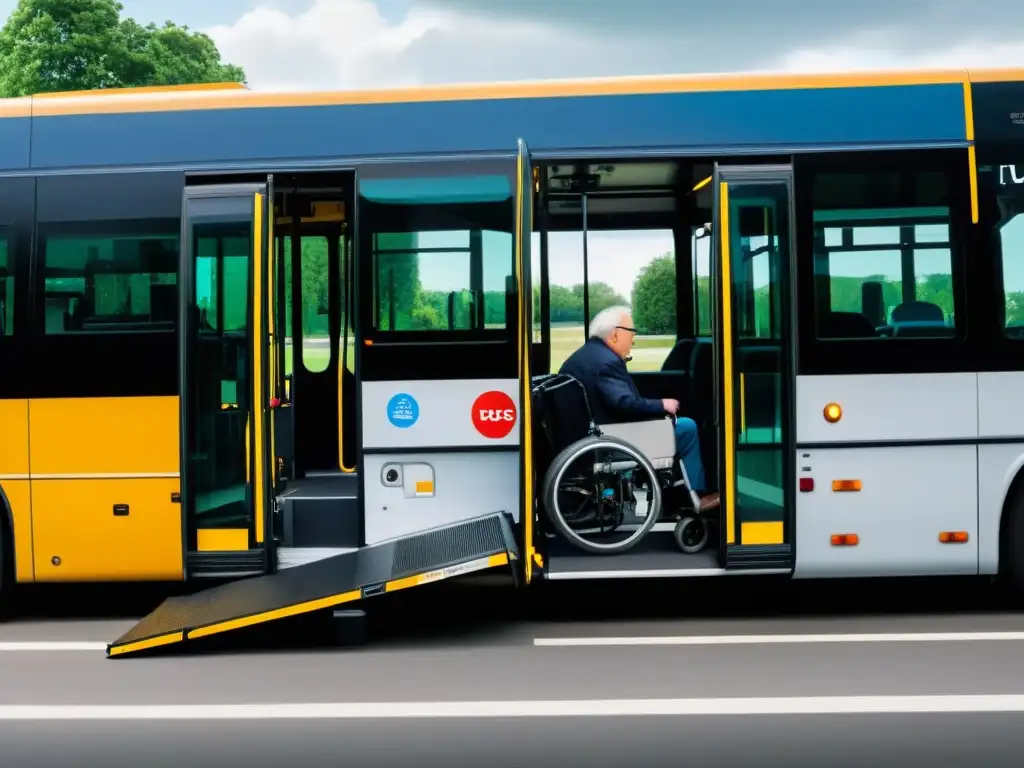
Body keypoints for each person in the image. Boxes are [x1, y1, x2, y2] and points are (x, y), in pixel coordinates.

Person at [559, 305, 720, 511]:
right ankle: (693, 496)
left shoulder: (589, 355)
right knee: (686, 428)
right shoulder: (606, 362)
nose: (633, 339)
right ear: (615, 335)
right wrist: (662, 405)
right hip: (613, 439)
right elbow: (623, 402)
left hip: (596, 433)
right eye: (631, 332)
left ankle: (676, 494)